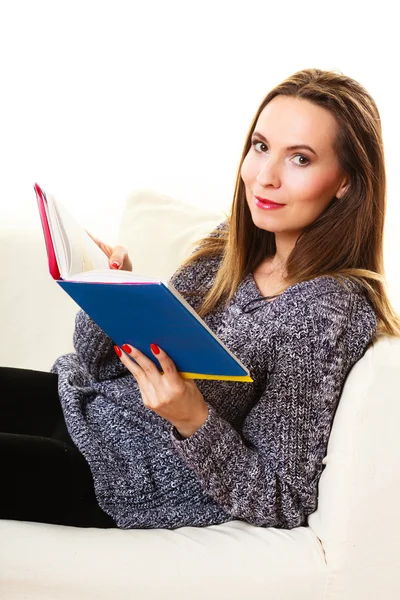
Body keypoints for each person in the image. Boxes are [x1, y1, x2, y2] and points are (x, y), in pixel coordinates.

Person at [2, 67, 400, 530]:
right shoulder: (229, 246)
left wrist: (192, 418)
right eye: (261, 146)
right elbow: (98, 368)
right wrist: (109, 290)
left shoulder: (327, 312)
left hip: (123, 481)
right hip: (84, 407)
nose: (264, 177)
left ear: (346, 181)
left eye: (301, 159)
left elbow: (284, 498)